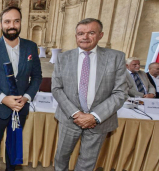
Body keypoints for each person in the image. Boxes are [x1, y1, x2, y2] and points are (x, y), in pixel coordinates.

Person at [52, 18, 127, 171]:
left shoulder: (116, 57)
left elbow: (120, 92)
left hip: (99, 120)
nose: (85, 37)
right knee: (61, 157)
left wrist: (94, 116)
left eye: (91, 33)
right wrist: (76, 114)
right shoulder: (63, 58)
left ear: (100, 35)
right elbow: (57, 89)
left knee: (87, 162)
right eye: (81, 33)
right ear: (76, 36)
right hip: (69, 118)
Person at [0, 6, 42, 171]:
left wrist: (26, 97)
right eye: (7, 21)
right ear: (1, 24)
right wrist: (3, 98)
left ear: (21, 23)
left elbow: (37, 77)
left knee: (14, 142)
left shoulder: (31, 47)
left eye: (16, 21)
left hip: (20, 107)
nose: (12, 25)